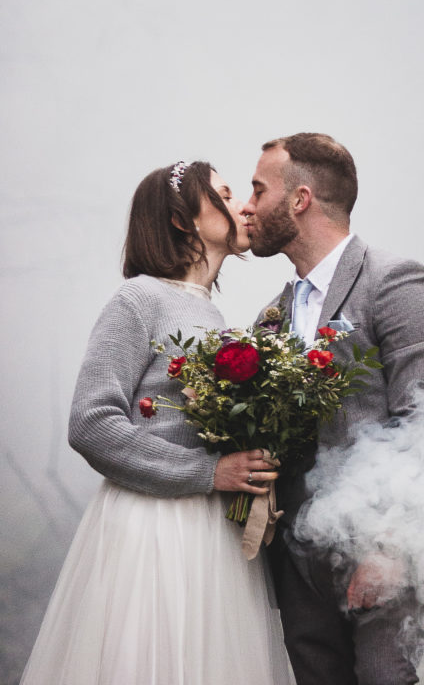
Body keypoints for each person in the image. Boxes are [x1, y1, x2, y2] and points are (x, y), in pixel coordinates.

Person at [20, 160, 293, 685]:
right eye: (226, 193)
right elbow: (91, 423)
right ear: (181, 219)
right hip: (152, 529)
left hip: (214, 533)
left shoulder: (215, 314)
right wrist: (206, 471)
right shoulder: (138, 298)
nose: (243, 206)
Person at [243, 132, 424, 685]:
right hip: (294, 560)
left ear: (300, 199)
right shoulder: (272, 314)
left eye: (258, 191)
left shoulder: (396, 280)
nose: (247, 205)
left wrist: (389, 545)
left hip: (375, 547)